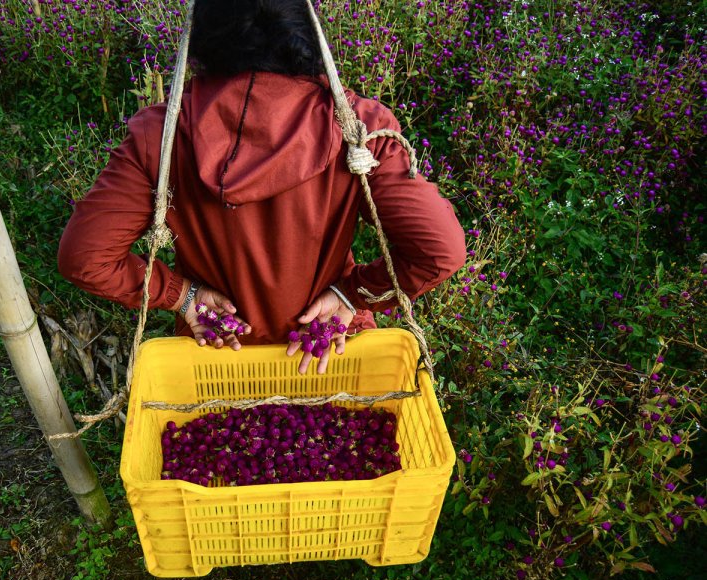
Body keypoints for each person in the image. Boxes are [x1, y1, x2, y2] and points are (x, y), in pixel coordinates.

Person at [58, 0, 465, 374]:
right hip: (327, 345)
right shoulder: (358, 128)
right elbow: (439, 249)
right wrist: (352, 295)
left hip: (220, 348)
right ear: (306, 32)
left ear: (202, 37)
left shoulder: (161, 135)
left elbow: (86, 257)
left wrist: (182, 296)